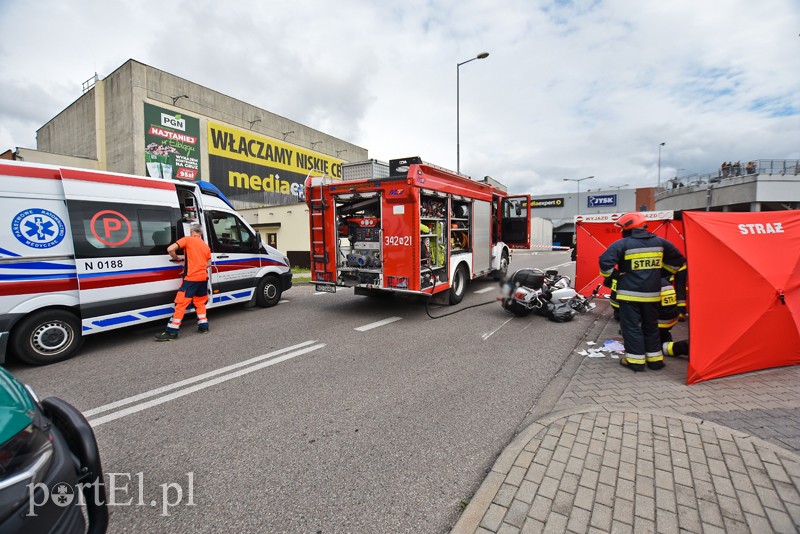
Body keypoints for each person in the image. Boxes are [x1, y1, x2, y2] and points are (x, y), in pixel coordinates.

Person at [599, 212, 685, 372]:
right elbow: (678, 262)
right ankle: (655, 360)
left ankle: (635, 361)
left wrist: (617, 276)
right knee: (651, 326)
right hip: (652, 295)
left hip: (629, 295)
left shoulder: (622, 244)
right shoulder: (661, 243)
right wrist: (657, 274)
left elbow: (605, 263)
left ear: (627, 228)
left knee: (631, 327)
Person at [155, 223, 212, 341]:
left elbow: (170, 249)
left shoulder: (187, 240)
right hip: (203, 278)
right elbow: (208, 263)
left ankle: (172, 332)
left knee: (180, 304)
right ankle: (203, 327)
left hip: (191, 279)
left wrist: (176, 258)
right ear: (200, 233)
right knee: (200, 303)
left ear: (191, 231)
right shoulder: (205, 246)